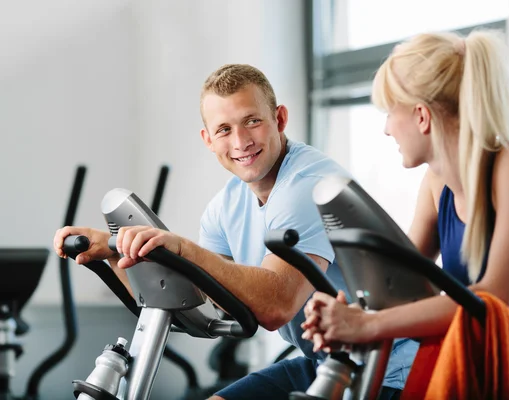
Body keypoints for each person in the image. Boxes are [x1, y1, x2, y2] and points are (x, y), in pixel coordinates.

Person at [53, 64, 418, 399]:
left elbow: (276, 306)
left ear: (279, 119)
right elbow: (203, 308)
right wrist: (119, 253)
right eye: (224, 129)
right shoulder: (225, 206)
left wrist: (183, 248)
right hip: (326, 363)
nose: (241, 141)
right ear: (208, 139)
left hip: (389, 371)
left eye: (252, 121)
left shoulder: (309, 184)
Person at [301, 30, 509, 400]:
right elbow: (396, 287)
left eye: (390, 113)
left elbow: (493, 299)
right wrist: (340, 311)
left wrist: (367, 325)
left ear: (422, 116)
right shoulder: (435, 185)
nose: (386, 128)